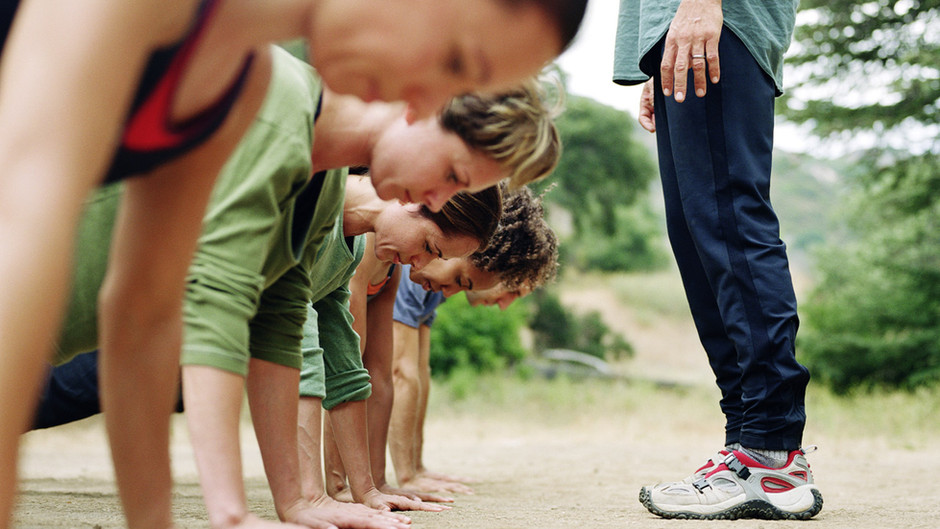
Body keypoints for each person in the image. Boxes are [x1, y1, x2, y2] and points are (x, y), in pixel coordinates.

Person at [0, 1, 587, 526]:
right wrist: (237, 508)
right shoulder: (264, 93)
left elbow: (152, 311)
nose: (423, 93)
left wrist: (263, 506)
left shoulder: (256, 97)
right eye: (453, 61)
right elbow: (209, 299)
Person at [613, 0, 823, 520]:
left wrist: (702, 4)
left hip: (716, 20)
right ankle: (746, 445)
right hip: (679, 30)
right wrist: (656, 45)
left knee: (729, 223)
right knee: (697, 234)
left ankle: (770, 449)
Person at [319, 184, 559, 501]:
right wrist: (346, 487)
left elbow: (382, 375)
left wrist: (378, 483)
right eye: (460, 280)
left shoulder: (394, 267)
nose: (448, 292)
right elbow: (352, 370)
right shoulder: (382, 248)